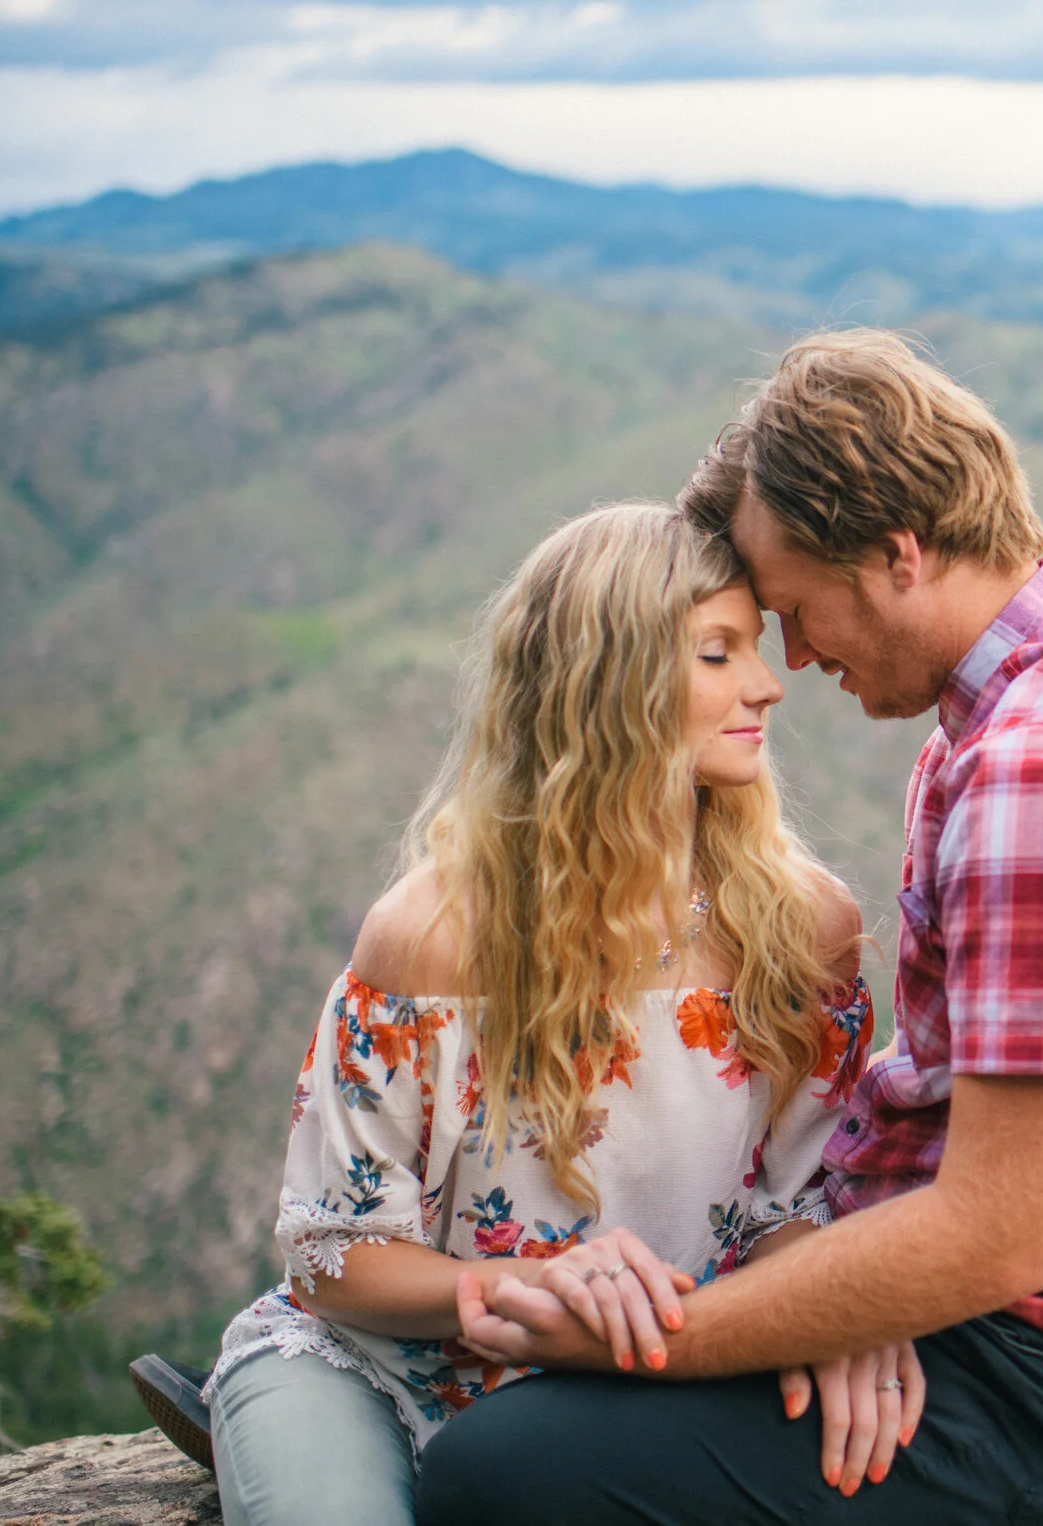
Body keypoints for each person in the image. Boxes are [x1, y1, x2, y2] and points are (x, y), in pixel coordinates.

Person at [413, 331, 1043, 1525]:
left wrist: (651, 1347)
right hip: (1014, 1305)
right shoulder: (1032, 692)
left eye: (793, 607)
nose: (792, 658)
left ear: (898, 553)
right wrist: (829, 1283)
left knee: (494, 1474)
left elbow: (997, 1237)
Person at [196, 503, 909, 1526]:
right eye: (719, 652)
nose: (767, 682)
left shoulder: (802, 927)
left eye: (754, 646)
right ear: (606, 681)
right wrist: (515, 1282)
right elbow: (332, 1252)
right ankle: (265, 1429)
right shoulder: (434, 932)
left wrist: (842, 1312)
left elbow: (791, 1207)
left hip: (643, 1389)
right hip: (383, 1374)